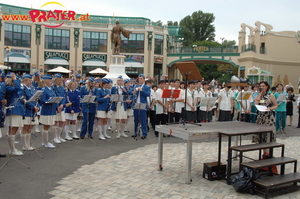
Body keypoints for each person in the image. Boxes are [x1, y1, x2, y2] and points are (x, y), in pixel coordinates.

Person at [5, 73, 24, 155]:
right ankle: (12, 149)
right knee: (12, 129)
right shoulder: (8, 87)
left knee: (15, 129)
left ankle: (13, 149)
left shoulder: (14, 88)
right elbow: (16, 88)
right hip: (13, 110)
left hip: (18, 109)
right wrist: (15, 79)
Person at [21, 74, 40, 151]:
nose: (30, 82)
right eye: (29, 80)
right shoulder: (23, 89)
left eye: (31, 80)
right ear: (24, 81)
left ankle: (28, 143)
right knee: (25, 127)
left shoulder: (32, 89)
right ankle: (24, 145)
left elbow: (35, 99)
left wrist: (37, 106)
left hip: (33, 111)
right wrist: (33, 106)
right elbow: (24, 100)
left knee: (30, 127)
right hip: (27, 110)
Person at [39, 75, 56, 148]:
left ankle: (45, 141)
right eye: (49, 81)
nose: (51, 82)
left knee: (48, 125)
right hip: (46, 109)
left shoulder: (51, 89)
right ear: (45, 81)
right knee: (46, 125)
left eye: (51, 80)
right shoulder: (44, 89)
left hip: (51, 109)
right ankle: (45, 142)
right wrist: (49, 101)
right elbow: (42, 101)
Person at [132, 74, 150, 139]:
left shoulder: (146, 87)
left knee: (143, 119)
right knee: (136, 119)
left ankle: (144, 133)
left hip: (143, 104)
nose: (140, 80)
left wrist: (141, 90)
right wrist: (134, 92)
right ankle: (136, 132)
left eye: (141, 78)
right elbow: (132, 94)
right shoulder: (136, 86)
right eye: (139, 78)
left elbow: (148, 94)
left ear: (144, 79)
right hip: (136, 103)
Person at [52, 73, 67, 143]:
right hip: (55, 107)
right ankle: (55, 137)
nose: (60, 81)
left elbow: (64, 97)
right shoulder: (53, 87)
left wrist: (62, 105)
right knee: (55, 122)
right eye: (59, 80)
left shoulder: (62, 88)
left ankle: (58, 136)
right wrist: (57, 106)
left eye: (61, 80)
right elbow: (54, 97)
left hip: (61, 107)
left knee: (62, 121)